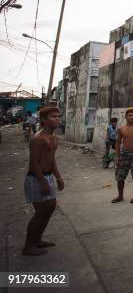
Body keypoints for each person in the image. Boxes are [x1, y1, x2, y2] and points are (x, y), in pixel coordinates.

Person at [22, 106, 64, 256]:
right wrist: (42, 182)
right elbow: (34, 163)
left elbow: (51, 161)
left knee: (51, 207)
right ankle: (28, 246)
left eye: (59, 116)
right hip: (36, 178)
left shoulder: (54, 138)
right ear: (44, 120)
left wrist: (58, 177)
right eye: (54, 116)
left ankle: (37, 240)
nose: (58, 119)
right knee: (40, 211)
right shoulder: (38, 139)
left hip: (48, 176)